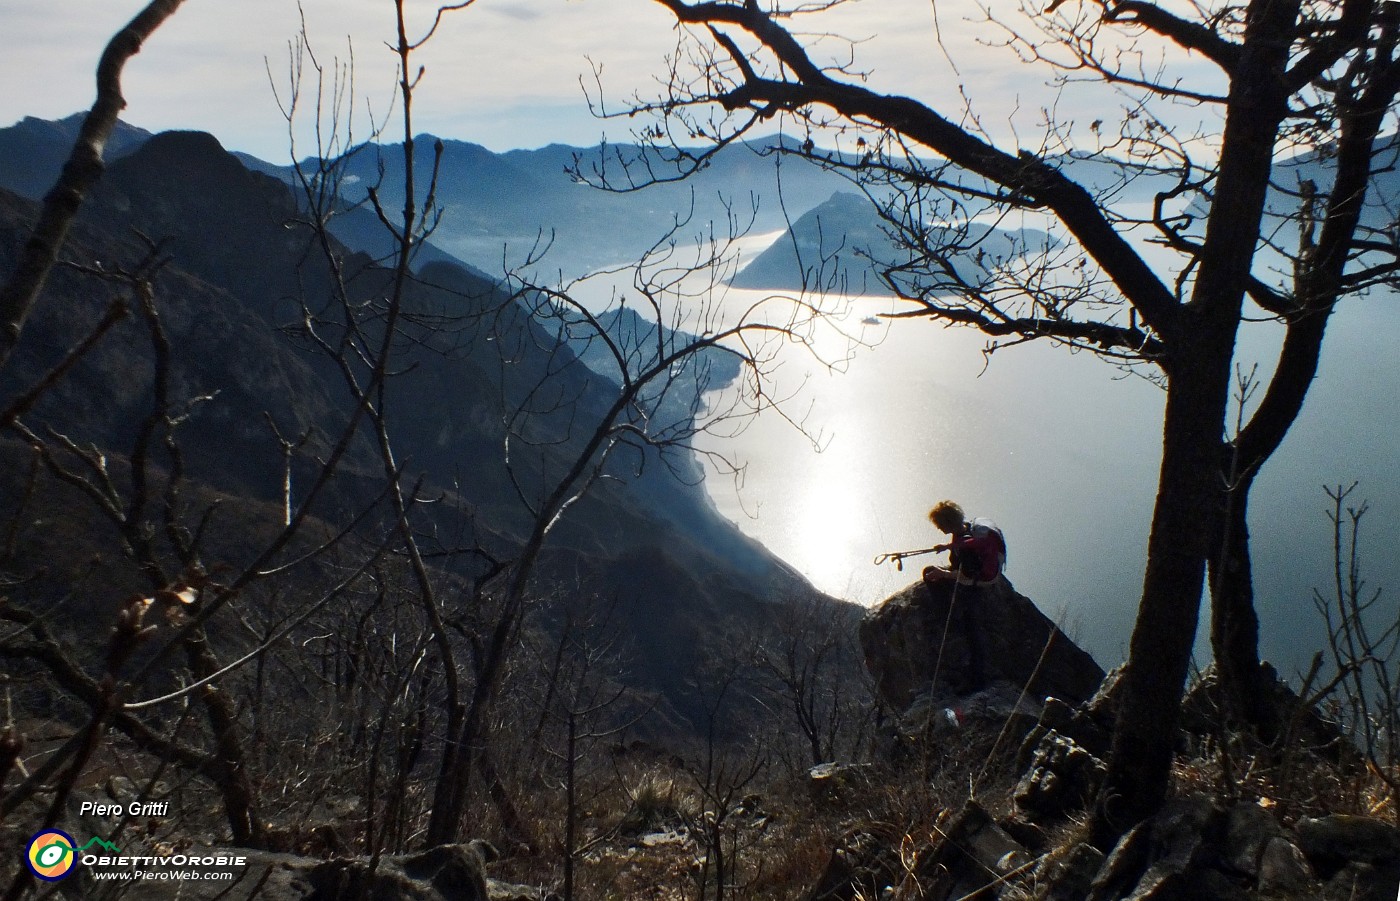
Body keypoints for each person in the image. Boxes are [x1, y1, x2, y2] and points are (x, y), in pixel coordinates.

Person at [920, 500, 1006, 587]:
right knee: (928, 571)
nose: (938, 528)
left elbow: (969, 572)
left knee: (936, 580)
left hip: (983, 577)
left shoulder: (966, 545)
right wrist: (948, 546)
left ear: (948, 523)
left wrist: (943, 574)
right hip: (971, 569)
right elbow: (965, 543)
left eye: (939, 525)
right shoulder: (965, 530)